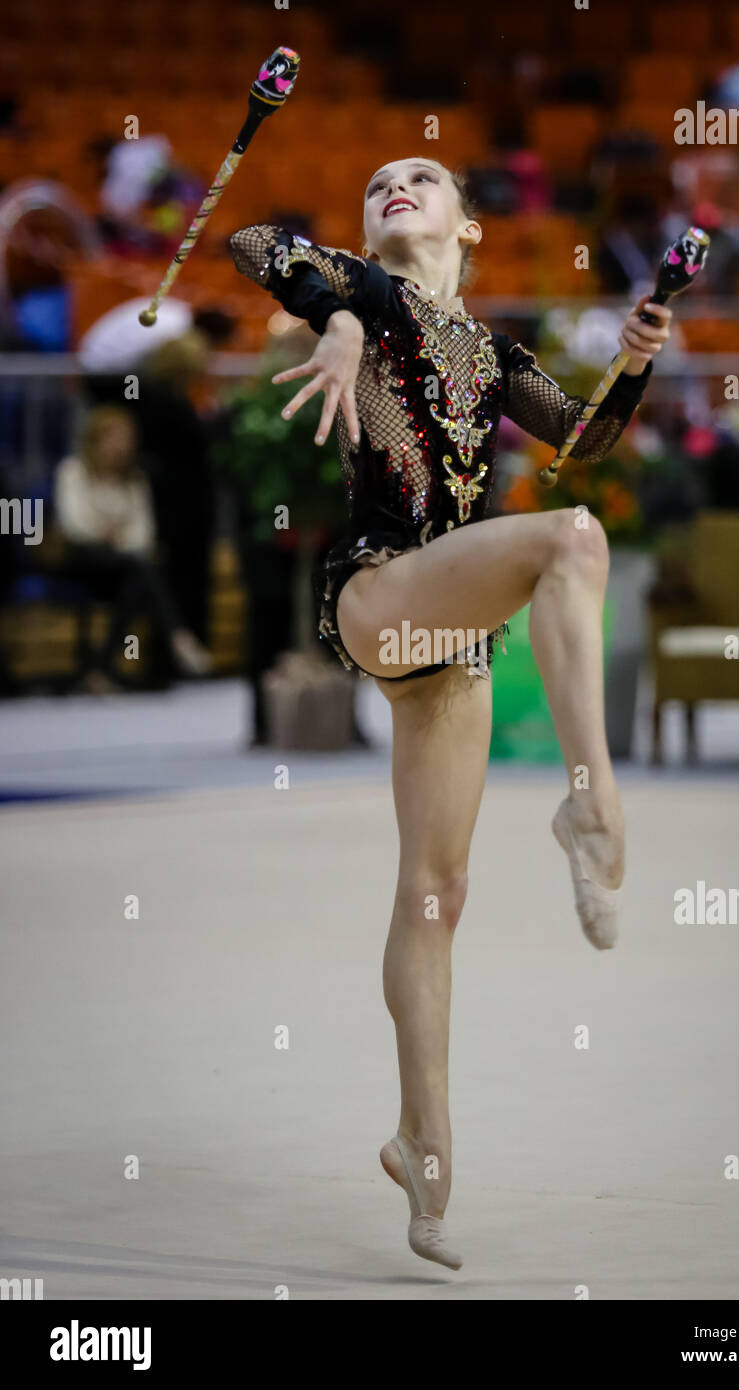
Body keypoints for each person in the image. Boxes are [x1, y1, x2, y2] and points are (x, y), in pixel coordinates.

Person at [230, 157, 672, 1270]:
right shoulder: (364, 294)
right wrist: (333, 321)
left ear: (469, 227)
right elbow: (256, 247)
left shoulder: (494, 352)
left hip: (448, 643)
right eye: (376, 179)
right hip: (381, 591)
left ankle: (421, 1146)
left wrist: (626, 370)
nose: (395, 185)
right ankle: (589, 804)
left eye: (422, 179)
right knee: (568, 539)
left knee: (437, 893)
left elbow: (583, 442)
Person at [54, 405, 213, 692]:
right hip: (83, 562)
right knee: (142, 570)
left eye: (128, 438)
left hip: (124, 564)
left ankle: (101, 669)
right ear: (97, 439)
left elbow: (144, 533)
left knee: (138, 578)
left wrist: (115, 538)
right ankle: (178, 637)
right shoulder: (72, 472)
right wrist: (111, 536)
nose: (124, 445)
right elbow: (75, 526)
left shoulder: (135, 478)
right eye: (117, 437)